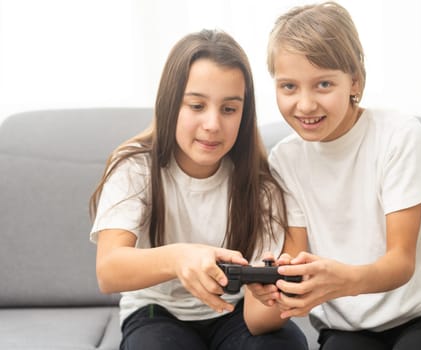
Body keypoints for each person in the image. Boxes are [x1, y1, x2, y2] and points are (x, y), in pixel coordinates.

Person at [258, 2, 421, 349]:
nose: (304, 104)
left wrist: (342, 281)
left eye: (323, 84)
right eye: (289, 87)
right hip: (350, 324)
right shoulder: (285, 160)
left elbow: (401, 262)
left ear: (355, 82)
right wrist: (279, 278)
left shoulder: (398, 135)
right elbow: (296, 255)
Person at [89, 29, 307, 350]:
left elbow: (262, 313)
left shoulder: (260, 184)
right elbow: (109, 271)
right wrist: (180, 258)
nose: (213, 124)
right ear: (170, 105)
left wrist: (269, 291)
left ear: (244, 115)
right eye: (196, 106)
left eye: (229, 109)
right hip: (157, 313)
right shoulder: (135, 167)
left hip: (234, 312)